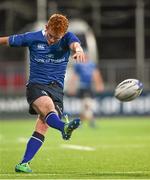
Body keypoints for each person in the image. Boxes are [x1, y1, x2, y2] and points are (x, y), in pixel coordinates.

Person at [0, 13, 86, 173]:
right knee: (48, 108)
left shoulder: (67, 37)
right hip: (36, 86)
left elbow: (75, 44)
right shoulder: (32, 38)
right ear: (46, 27)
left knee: (42, 125)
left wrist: (79, 49)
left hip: (57, 90)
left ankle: (24, 163)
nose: (53, 40)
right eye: (51, 36)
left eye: (57, 38)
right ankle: (64, 127)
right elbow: (7, 40)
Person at [68, 54, 104, 127]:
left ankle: (82, 122)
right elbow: (74, 76)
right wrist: (71, 87)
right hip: (82, 87)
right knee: (85, 105)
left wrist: (99, 85)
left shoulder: (91, 64)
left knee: (88, 105)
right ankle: (90, 122)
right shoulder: (78, 65)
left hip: (89, 87)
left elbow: (96, 74)